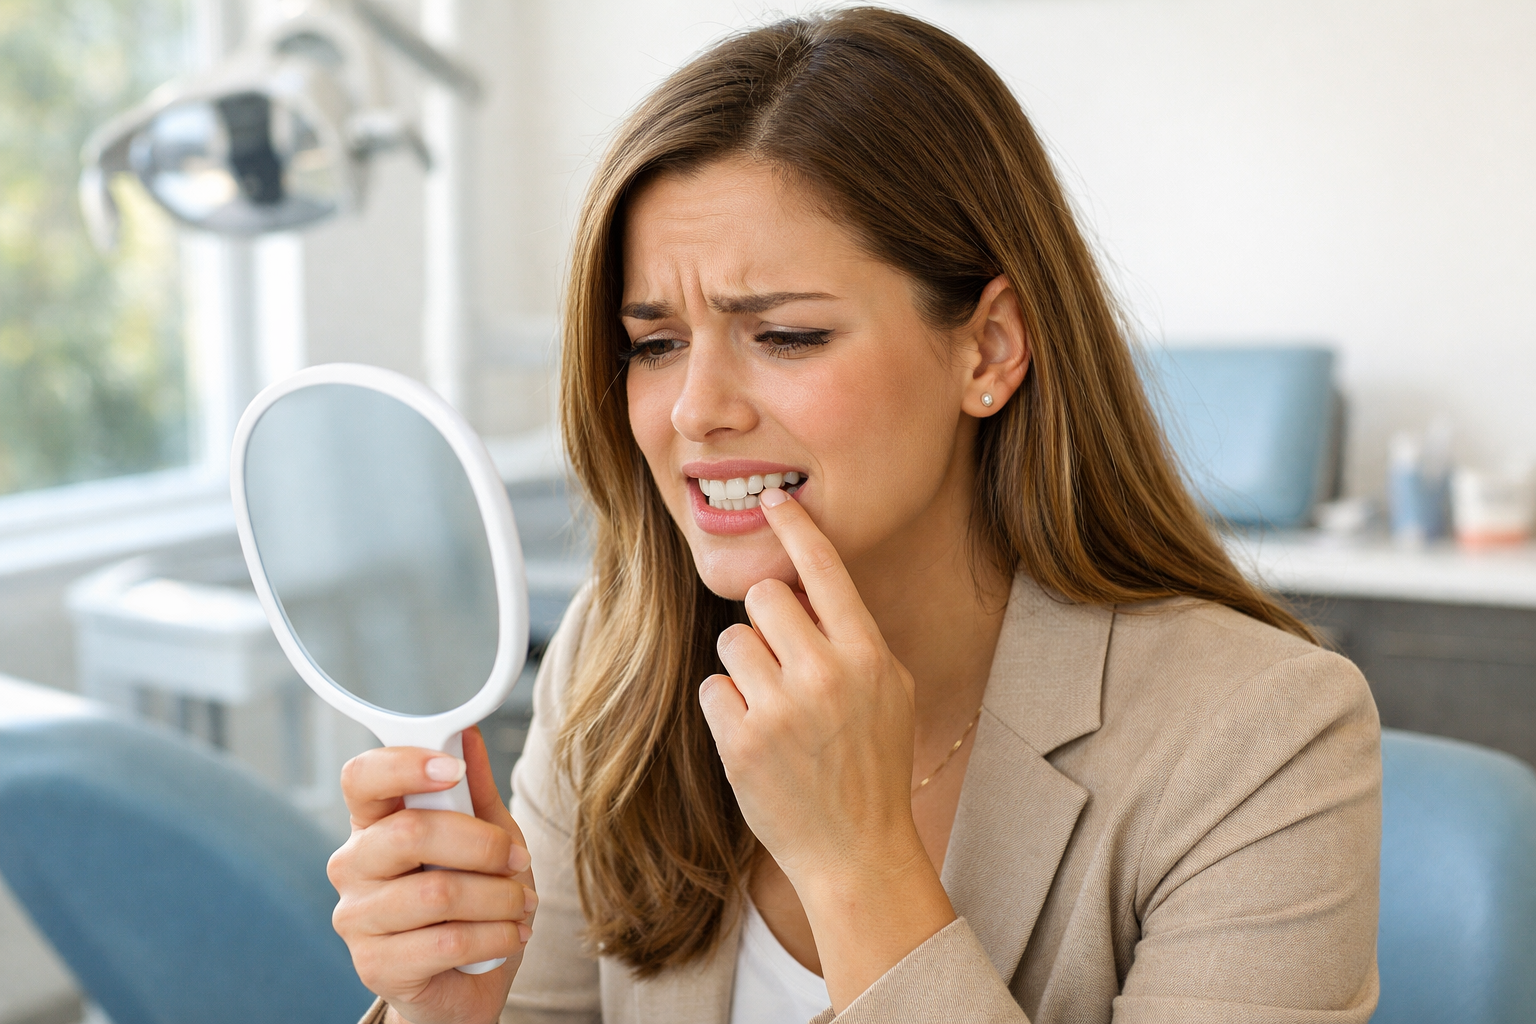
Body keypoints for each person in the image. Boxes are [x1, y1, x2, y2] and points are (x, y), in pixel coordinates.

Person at [328, 8, 1381, 1024]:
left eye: (784, 334)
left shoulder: (1266, 737)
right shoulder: (618, 660)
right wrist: (447, 1011)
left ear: (989, 349)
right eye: (653, 344)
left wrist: (858, 862)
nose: (695, 409)